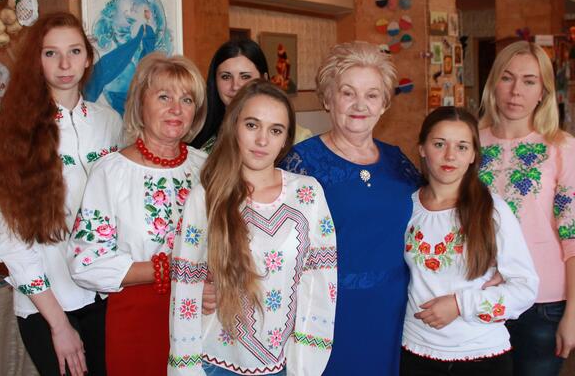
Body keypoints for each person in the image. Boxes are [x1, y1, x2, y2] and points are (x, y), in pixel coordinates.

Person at [0, 12, 123, 376]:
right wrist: (59, 325)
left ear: (88, 58)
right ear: (37, 60)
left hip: (107, 296)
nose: (65, 64)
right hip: (47, 305)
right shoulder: (12, 133)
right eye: (51, 53)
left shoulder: (109, 122)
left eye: (74, 51)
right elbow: (9, 241)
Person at [169, 80, 337, 375]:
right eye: (251, 125)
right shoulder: (206, 196)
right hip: (214, 363)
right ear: (233, 126)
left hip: (285, 364)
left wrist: (305, 366)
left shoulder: (307, 194)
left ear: (285, 140)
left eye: (275, 130)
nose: (262, 140)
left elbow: (321, 286)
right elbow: (185, 287)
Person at [281, 41, 422, 375]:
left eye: (372, 95)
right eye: (348, 93)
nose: (360, 105)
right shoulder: (300, 163)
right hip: (327, 313)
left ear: (384, 104)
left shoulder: (398, 162)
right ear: (328, 99)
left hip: (393, 311)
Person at [67, 53, 207, 374]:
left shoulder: (207, 167)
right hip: (139, 319)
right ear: (140, 103)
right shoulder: (111, 172)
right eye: (164, 97)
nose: (176, 109)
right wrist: (168, 268)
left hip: (204, 313)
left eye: (187, 99)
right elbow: (86, 263)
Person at [478, 41, 575, 376]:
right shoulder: (470, 143)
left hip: (542, 304)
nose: (516, 91)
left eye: (529, 81)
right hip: (479, 295)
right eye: (507, 78)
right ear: (493, 83)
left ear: (543, 92)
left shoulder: (562, 147)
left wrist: (573, 315)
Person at [401, 106, 538, 375]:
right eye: (439, 144)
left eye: (462, 147)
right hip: (414, 351)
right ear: (422, 148)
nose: (450, 155)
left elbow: (525, 288)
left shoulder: (492, 210)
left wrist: (460, 304)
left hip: (480, 355)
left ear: (474, 154)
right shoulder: (406, 206)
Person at [190, 39, 311, 154]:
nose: (235, 86)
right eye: (226, 77)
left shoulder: (299, 140)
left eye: (245, 76)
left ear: (264, 79)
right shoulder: (197, 136)